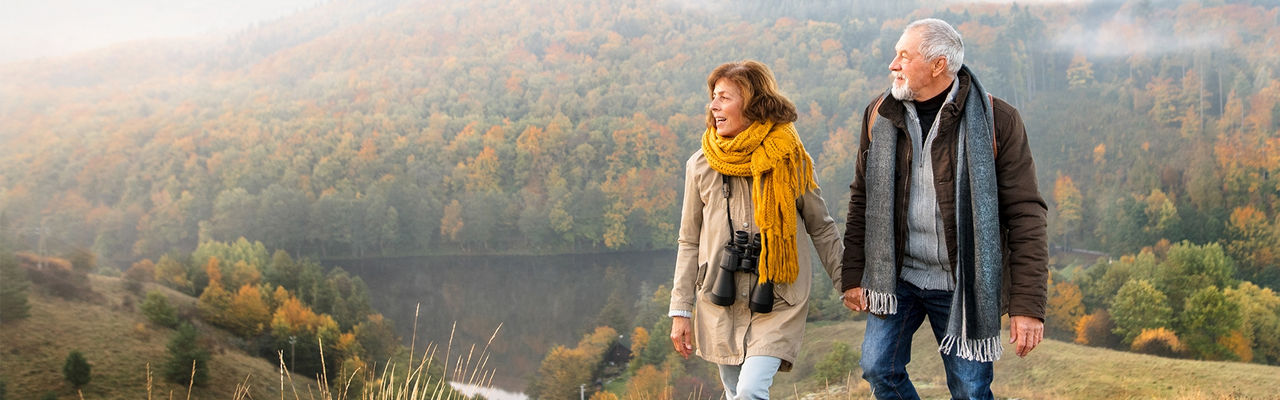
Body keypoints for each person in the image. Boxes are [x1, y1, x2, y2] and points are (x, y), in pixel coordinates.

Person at [839, 19, 1048, 400]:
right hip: (897, 276)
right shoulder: (879, 114)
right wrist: (853, 274)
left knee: (969, 389)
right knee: (878, 369)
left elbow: (1026, 215)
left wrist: (1028, 305)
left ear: (938, 65)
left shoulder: (998, 121)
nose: (893, 64)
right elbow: (862, 198)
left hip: (961, 282)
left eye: (904, 55)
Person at [668, 60, 843, 399]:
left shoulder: (790, 158)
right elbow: (688, 240)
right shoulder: (701, 164)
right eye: (713, 97)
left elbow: (820, 227)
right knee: (734, 391)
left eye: (724, 98)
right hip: (720, 298)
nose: (713, 106)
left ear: (751, 104)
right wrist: (681, 309)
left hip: (776, 297)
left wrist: (846, 282)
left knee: (750, 389)